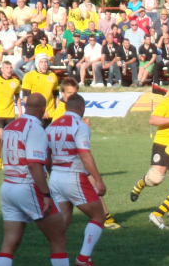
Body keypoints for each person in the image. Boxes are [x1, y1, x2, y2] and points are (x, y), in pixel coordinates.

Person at [0, 93, 94, 266]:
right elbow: (33, 164)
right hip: (27, 186)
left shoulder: (11, 126)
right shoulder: (36, 128)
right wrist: (46, 194)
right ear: (43, 108)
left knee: (10, 242)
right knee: (59, 238)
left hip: (7, 186)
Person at [46, 93, 107, 266]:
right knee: (98, 216)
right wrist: (98, 179)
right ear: (82, 108)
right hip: (73, 176)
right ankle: (83, 258)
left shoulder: (51, 126)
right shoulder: (80, 125)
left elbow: (46, 156)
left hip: (56, 176)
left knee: (62, 223)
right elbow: (84, 154)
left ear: (65, 107)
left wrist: (52, 174)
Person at [51, 78, 120, 229]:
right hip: (72, 164)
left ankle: (107, 218)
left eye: (75, 92)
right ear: (62, 94)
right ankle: (105, 219)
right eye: (69, 93)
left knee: (66, 213)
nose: (72, 95)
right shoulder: (61, 112)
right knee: (94, 189)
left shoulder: (68, 111)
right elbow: (65, 138)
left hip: (66, 167)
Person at [21, 55, 59, 126]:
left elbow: (56, 96)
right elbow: (25, 98)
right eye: (41, 62)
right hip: (35, 115)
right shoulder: (29, 76)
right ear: (37, 63)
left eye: (46, 62)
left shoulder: (53, 76)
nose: (44, 64)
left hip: (50, 114)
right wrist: (40, 110)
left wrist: (57, 112)